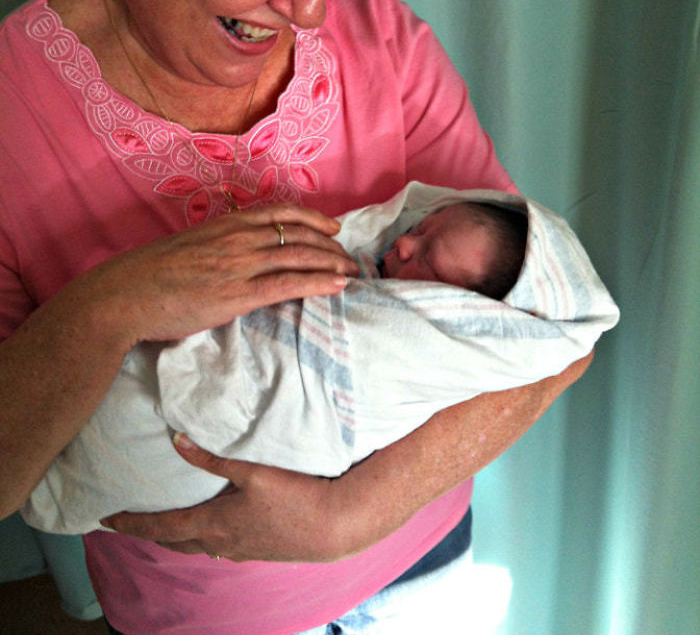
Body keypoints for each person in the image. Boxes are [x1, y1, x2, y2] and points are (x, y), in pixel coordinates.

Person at [0, 0, 593, 635]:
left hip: (420, 545)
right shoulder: (11, 119)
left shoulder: (380, 38)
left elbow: (554, 332)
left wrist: (353, 514)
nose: (312, 8)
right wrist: (117, 304)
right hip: (197, 619)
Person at [22, 182, 619, 538]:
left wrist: (348, 516)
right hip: (198, 602)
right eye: (423, 226)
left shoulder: (445, 342)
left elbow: (567, 356)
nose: (404, 242)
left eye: (428, 263)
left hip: (412, 545)